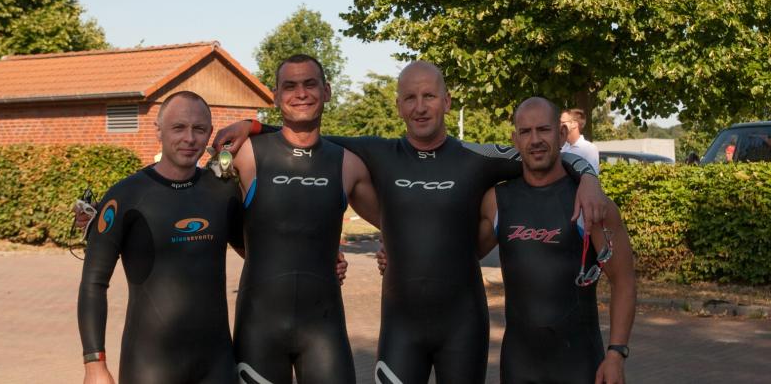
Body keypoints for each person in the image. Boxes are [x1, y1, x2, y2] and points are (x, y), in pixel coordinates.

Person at [215, 61, 613, 384]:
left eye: (429, 96)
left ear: (447, 102)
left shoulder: (477, 159)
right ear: (399, 106)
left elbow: (547, 153)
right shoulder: (377, 153)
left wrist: (589, 178)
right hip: (400, 328)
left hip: (463, 325)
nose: (420, 107)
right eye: (410, 97)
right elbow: (305, 134)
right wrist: (254, 125)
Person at [230, 54, 380, 384]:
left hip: (324, 330)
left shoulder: (348, 164)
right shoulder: (245, 156)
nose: (301, 93)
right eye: (290, 86)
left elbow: (400, 224)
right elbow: (206, 218)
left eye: (310, 84)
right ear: (275, 96)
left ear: (327, 91)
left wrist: (392, 252)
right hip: (259, 330)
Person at [77, 91, 242, 384]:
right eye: (178, 127)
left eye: (199, 129)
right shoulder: (126, 197)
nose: (189, 138)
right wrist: (94, 365)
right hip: (150, 366)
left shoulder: (223, 192)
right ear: (158, 130)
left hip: (216, 364)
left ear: (210, 134)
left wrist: (252, 127)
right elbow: (93, 283)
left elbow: (259, 252)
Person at [478, 97, 636, 384]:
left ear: (562, 134)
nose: (535, 140)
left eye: (544, 129)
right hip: (518, 366)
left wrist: (616, 354)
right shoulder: (497, 201)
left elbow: (623, 280)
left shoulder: (591, 205)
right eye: (525, 132)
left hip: (579, 365)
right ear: (515, 140)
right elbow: (459, 253)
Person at [561, 108, 600, 174]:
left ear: (574, 124)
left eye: (562, 122)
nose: (559, 125)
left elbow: (592, 176)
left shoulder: (589, 149)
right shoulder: (562, 147)